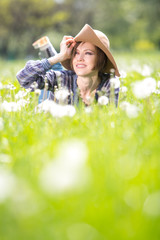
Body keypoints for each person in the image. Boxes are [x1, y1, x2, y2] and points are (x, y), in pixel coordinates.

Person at [16, 24, 120, 106]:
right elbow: (23, 78)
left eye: (88, 53)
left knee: (59, 73)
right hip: (49, 99)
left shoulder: (110, 83)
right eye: (76, 53)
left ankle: (53, 59)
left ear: (101, 59)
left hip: (66, 77)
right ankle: (52, 56)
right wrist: (59, 57)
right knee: (46, 95)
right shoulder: (60, 79)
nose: (79, 58)